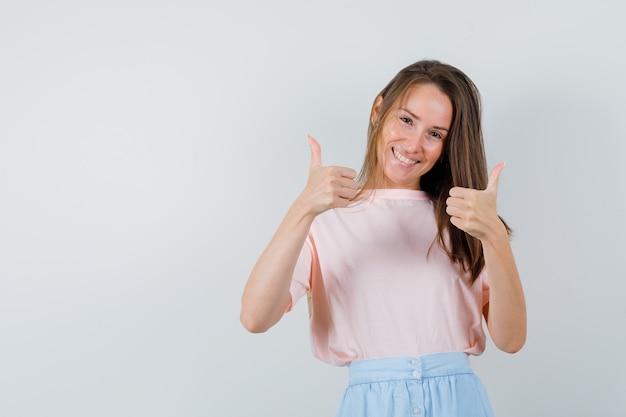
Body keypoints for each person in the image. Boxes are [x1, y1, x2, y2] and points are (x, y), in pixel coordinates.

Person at [240, 59, 526, 417]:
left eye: (435, 134)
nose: (413, 144)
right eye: (406, 120)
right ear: (379, 110)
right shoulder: (325, 219)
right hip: (371, 405)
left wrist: (494, 235)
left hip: (460, 403)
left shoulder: (463, 220)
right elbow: (255, 317)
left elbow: (511, 340)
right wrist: (303, 209)